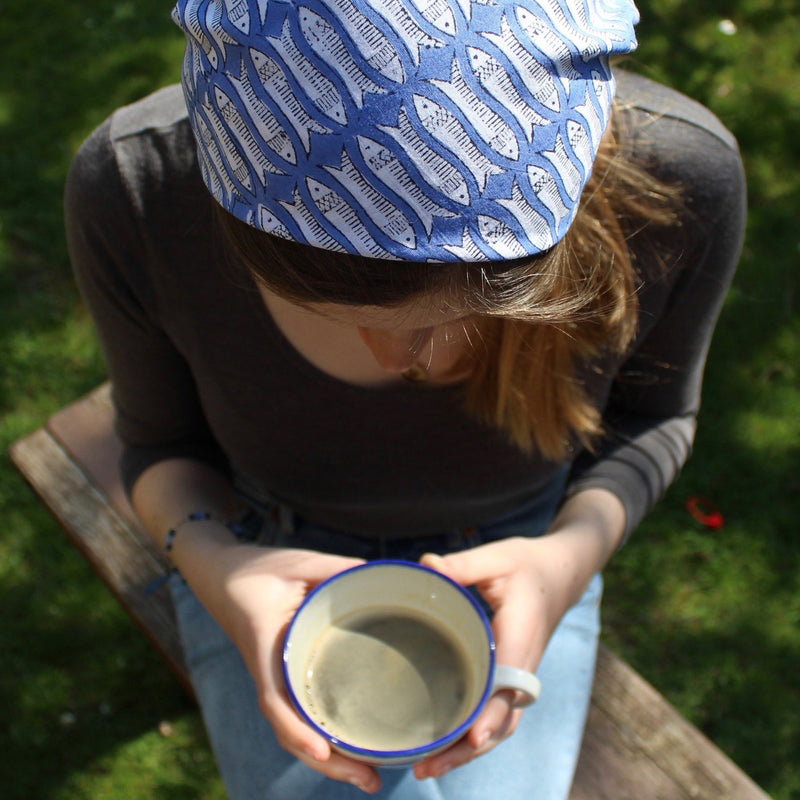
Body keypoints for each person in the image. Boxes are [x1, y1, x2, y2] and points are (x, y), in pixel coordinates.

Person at [64, 0, 745, 797]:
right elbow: (158, 445)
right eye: (324, 316)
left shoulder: (678, 184)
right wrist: (221, 568)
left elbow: (654, 419)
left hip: (525, 549)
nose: (399, 365)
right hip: (256, 541)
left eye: (455, 320)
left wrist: (566, 559)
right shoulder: (137, 192)